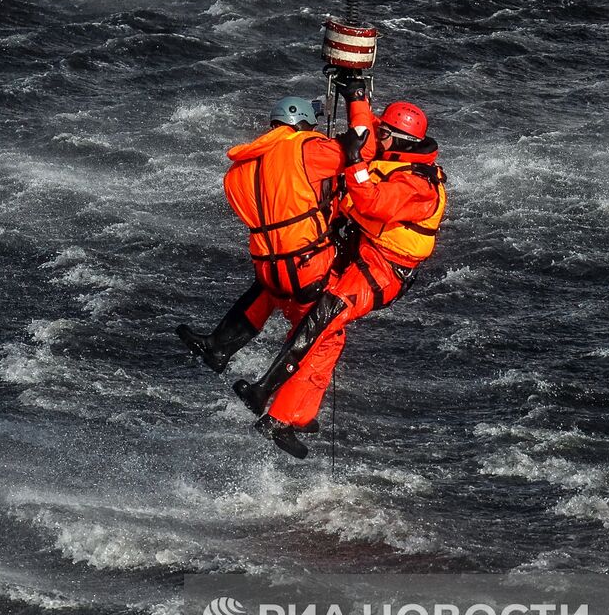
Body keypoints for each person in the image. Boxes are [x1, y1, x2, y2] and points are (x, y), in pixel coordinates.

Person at [232, 99, 449, 458]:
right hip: (362, 250)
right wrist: (356, 96)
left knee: (322, 320)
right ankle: (289, 415)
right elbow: (364, 134)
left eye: (384, 134)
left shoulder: (419, 186)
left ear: (399, 140)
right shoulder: (401, 157)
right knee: (325, 333)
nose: (377, 137)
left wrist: (352, 163)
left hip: (383, 270)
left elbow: (371, 202)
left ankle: (265, 390)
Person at [176, 85, 374, 377]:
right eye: (311, 124)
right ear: (301, 123)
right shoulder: (307, 149)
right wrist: (356, 100)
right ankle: (274, 388)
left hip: (268, 266)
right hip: (308, 264)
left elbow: (281, 200)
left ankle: (219, 347)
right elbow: (363, 150)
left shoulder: (240, 167)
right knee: (314, 330)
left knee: (266, 292)